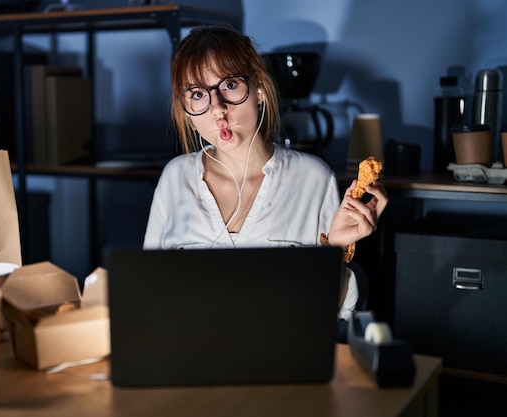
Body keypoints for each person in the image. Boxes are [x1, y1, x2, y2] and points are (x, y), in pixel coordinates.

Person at [143, 24, 388, 330]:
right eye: (197, 94)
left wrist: (335, 250)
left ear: (258, 89)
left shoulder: (313, 177)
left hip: (285, 363)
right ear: (187, 112)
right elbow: (146, 294)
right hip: (189, 362)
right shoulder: (174, 177)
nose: (217, 109)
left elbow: (328, 314)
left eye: (230, 85)